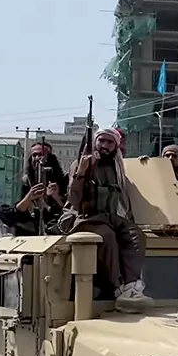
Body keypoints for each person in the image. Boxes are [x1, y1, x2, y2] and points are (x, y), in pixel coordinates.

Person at [59, 128, 152, 313]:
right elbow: (75, 199)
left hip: (110, 217)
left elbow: (124, 198)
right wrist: (82, 172)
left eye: (110, 143)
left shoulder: (117, 167)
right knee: (106, 237)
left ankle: (131, 285)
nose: (105, 146)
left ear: (116, 146)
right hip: (85, 218)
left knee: (136, 235)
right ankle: (117, 288)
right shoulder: (80, 164)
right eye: (101, 141)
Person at [0, 142, 69, 236]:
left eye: (42, 154)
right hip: (32, 224)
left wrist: (56, 197)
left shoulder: (63, 179)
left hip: (56, 223)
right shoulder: (27, 180)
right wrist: (29, 197)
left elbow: (71, 210)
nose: (38, 158)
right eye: (34, 155)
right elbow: (18, 211)